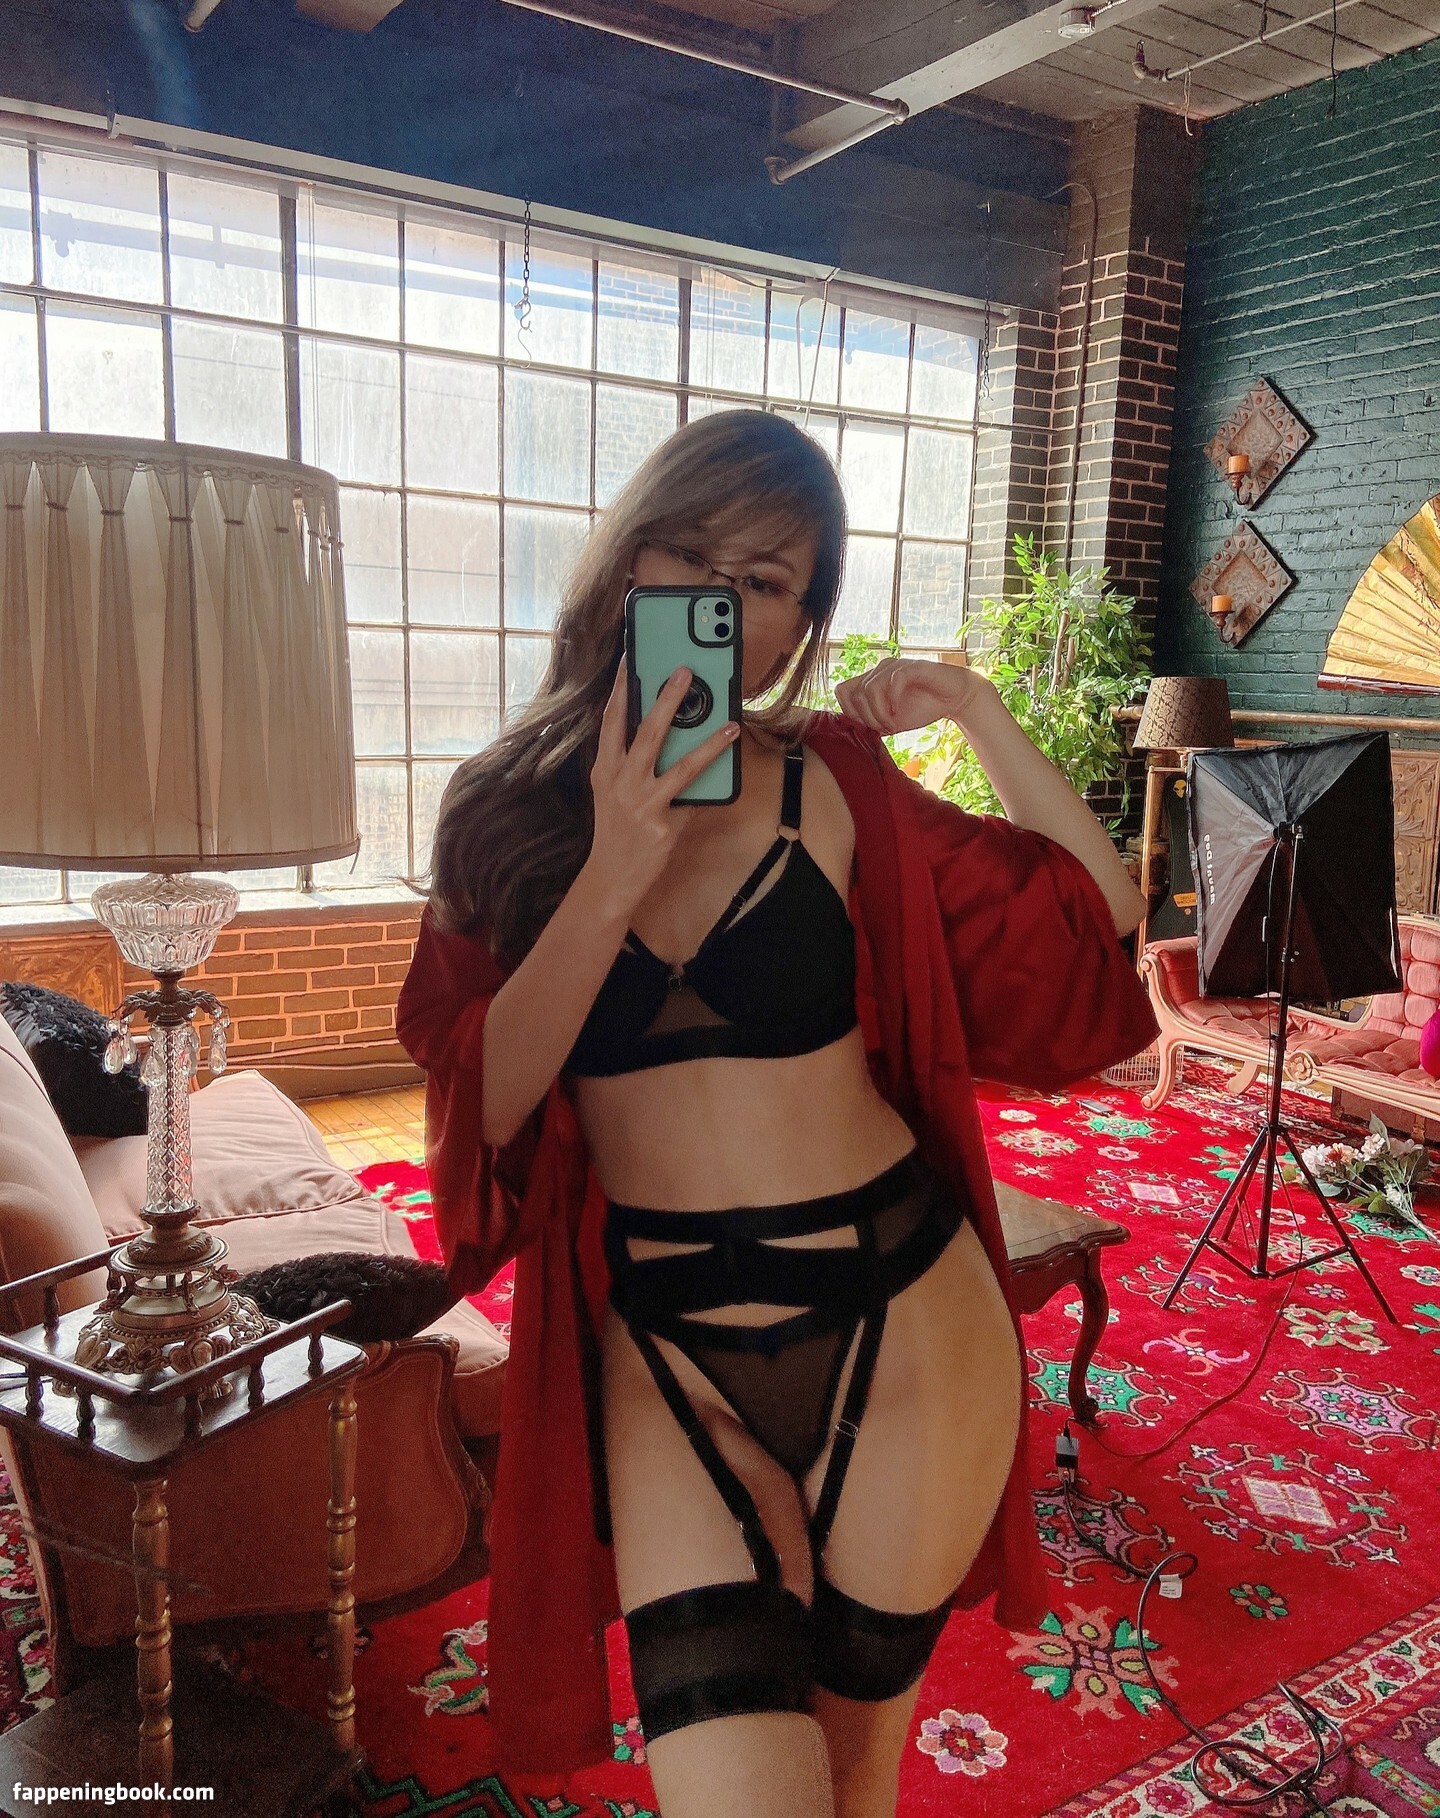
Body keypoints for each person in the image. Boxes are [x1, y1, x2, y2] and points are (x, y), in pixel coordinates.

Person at [395, 408, 1157, 1817]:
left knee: (855, 1777)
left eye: (764, 581)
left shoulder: (836, 781)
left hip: (905, 1312)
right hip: (667, 1349)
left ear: (800, 624)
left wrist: (974, 708)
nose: (718, 601)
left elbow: (1095, 917)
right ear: (627, 563)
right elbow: (484, 1098)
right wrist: (616, 863)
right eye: (690, 557)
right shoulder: (500, 811)